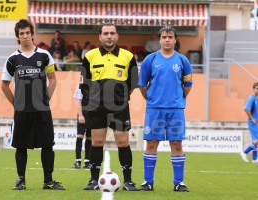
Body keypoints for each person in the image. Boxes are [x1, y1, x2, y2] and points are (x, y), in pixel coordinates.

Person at [1, 19, 65, 191]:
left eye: (27, 32)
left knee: (47, 144)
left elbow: (52, 79)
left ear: (32, 34)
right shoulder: (12, 59)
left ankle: (48, 181)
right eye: (21, 33)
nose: (25, 36)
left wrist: (47, 98)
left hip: (42, 109)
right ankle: (21, 180)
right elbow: (4, 85)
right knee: (21, 146)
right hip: (22, 110)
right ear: (17, 37)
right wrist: (15, 103)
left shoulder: (45, 55)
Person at [80, 22, 139, 191]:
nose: (109, 36)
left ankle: (128, 181)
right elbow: (84, 82)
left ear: (117, 36)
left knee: (123, 141)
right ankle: (93, 180)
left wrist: (121, 97)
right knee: (97, 142)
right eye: (105, 33)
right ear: (99, 36)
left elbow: (133, 82)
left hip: (119, 107)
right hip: (96, 107)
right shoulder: (90, 56)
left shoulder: (128, 56)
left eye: (112, 33)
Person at [138, 26, 192, 192]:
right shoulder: (150, 59)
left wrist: (178, 98)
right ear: (159, 40)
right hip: (154, 109)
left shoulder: (183, 60)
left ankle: (178, 182)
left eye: (170, 37)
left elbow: (188, 84)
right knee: (152, 143)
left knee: (176, 144)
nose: (167, 39)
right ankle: (148, 182)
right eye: (164, 37)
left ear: (175, 40)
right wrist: (152, 99)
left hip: (175, 110)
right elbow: (142, 84)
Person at [72, 85, 92, 169]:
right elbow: (79, 101)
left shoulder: (97, 84)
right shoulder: (80, 86)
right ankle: (78, 161)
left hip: (92, 115)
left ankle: (87, 161)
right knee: (80, 136)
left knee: (89, 138)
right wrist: (80, 115)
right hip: (83, 113)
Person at [240, 82, 258, 163]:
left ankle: (254, 159)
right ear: (253, 89)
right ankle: (244, 152)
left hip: (256, 122)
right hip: (253, 122)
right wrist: (252, 119)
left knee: (255, 140)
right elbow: (247, 109)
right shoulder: (251, 98)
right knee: (257, 140)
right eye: (257, 88)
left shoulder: (257, 98)